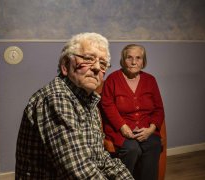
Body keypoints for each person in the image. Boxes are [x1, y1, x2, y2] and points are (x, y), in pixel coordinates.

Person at [15, 32, 134, 179]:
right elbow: (79, 171)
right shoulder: (57, 98)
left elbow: (100, 158)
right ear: (65, 65)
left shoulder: (90, 101)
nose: (97, 67)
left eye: (103, 63)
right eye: (88, 59)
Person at [100, 44, 165, 180]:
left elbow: (159, 109)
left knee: (154, 144)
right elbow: (107, 105)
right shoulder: (112, 79)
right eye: (129, 58)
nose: (134, 62)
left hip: (146, 128)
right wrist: (122, 127)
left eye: (138, 58)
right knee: (132, 148)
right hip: (121, 129)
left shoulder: (150, 80)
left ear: (143, 61)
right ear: (123, 60)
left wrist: (151, 129)